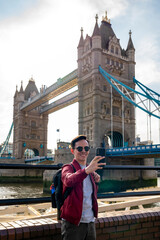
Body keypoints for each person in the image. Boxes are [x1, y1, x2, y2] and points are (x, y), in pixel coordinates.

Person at [61, 135, 106, 240]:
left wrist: (96, 182)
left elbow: (88, 194)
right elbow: (68, 180)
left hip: (90, 221)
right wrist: (86, 171)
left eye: (86, 148)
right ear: (73, 151)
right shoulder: (68, 168)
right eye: (79, 148)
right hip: (73, 223)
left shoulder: (90, 171)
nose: (83, 151)